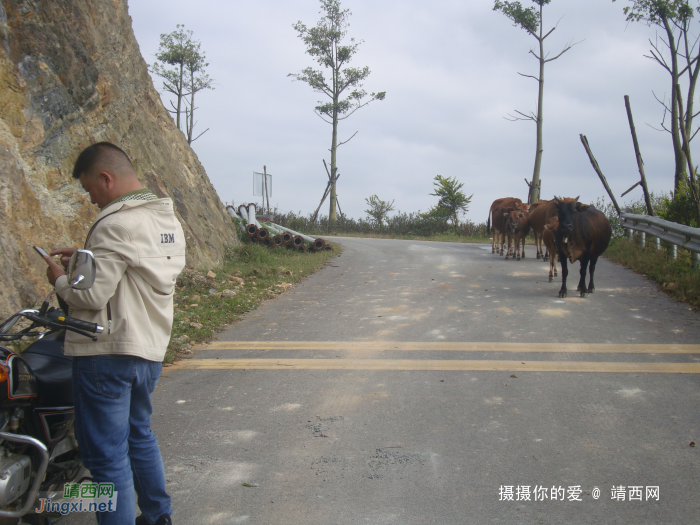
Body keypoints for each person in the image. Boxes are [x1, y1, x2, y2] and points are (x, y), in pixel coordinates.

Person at [44, 142, 186, 525]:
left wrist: (60, 280)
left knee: (106, 458)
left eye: (91, 190)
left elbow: (90, 296)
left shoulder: (115, 223)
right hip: (148, 352)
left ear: (106, 179)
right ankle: (158, 516)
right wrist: (85, 256)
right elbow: (133, 267)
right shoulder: (166, 221)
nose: (91, 200)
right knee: (139, 436)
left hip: (107, 354)